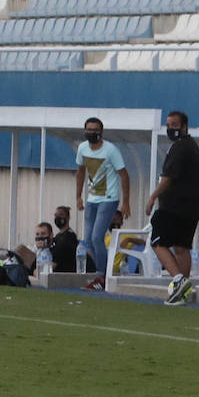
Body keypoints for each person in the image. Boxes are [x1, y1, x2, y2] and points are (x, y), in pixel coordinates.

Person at [145, 110, 199, 305]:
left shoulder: (180, 147)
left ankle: (178, 279)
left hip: (175, 205)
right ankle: (182, 291)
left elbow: (168, 177)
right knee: (181, 246)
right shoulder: (191, 146)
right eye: (168, 125)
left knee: (157, 241)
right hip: (193, 206)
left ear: (184, 126)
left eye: (175, 125)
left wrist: (153, 196)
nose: (171, 129)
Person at [76, 117, 130, 277]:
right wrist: (78, 196)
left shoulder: (111, 150)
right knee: (88, 240)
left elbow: (124, 175)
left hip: (109, 198)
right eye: (89, 130)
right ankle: (104, 269)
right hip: (92, 198)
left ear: (101, 132)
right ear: (85, 131)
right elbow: (80, 172)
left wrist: (126, 202)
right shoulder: (82, 148)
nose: (92, 133)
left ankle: (103, 274)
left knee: (97, 237)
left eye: (95, 130)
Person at [50, 205, 88, 274]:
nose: (58, 217)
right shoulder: (58, 236)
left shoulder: (70, 236)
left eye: (61, 214)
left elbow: (59, 256)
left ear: (68, 217)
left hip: (64, 273)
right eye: (56, 215)